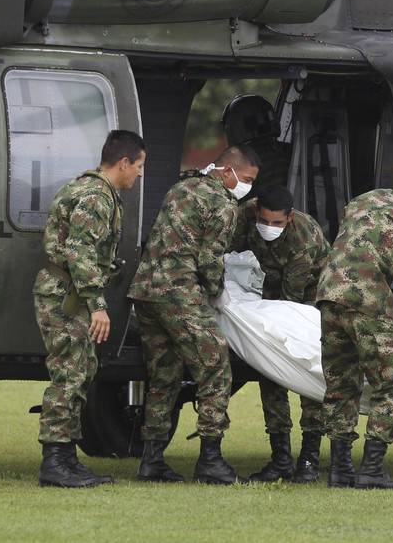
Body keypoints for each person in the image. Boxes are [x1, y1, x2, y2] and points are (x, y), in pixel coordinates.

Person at [130, 146, 260, 485]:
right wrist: (218, 293)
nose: (246, 187)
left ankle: (152, 459)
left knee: (164, 375)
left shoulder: (182, 187)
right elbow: (209, 258)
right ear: (229, 171)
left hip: (146, 291)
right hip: (178, 292)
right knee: (216, 365)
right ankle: (210, 459)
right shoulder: (224, 204)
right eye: (246, 179)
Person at [33, 130, 146, 488]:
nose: (140, 174)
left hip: (70, 295)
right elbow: (80, 253)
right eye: (139, 166)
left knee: (80, 372)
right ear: (124, 162)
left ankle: (66, 457)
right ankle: (55, 461)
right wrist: (98, 306)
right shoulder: (97, 197)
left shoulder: (91, 190)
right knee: (69, 375)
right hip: (68, 298)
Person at [316, 170, 393, 490]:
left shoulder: (364, 200)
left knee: (341, 383)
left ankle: (340, 469)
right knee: (391, 381)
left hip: (329, 298)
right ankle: (371, 469)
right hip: (367, 303)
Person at [230, 184, 331, 483]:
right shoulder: (244, 215)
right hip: (266, 289)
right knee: (270, 371)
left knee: (308, 369)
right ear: (256, 211)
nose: (268, 228)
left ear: (288, 219)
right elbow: (228, 251)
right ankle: (281, 459)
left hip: (308, 298)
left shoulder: (304, 238)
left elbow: (292, 302)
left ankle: (310, 460)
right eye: (264, 221)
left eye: (276, 223)